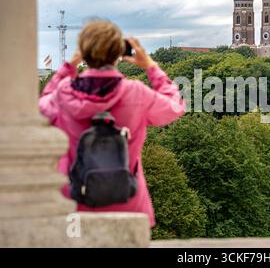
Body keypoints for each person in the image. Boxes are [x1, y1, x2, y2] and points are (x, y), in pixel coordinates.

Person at [39, 21, 185, 228]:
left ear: (84, 52)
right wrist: (151, 67)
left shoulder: (63, 93)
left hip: (73, 206)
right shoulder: (136, 93)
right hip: (128, 205)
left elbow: (41, 109)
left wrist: (68, 68)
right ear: (119, 52)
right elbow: (175, 107)